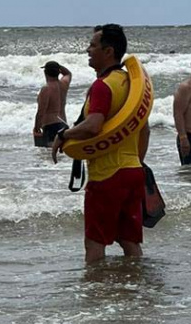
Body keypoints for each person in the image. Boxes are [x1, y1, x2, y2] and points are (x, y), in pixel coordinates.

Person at [50, 24, 151, 263]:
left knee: (94, 243)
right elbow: (144, 128)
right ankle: (135, 291)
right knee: (130, 242)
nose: (88, 49)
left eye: (93, 45)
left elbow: (94, 125)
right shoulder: (129, 83)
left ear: (108, 51)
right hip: (133, 170)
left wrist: (64, 135)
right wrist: (138, 161)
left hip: (107, 175)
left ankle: (95, 296)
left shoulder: (102, 86)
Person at [34, 60, 71, 146]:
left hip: (51, 126)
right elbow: (68, 73)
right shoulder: (64, 83)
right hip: (64, 125)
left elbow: (41, 112)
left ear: (45, 72)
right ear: (58, 72)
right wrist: (57, 66)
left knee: (48, 157)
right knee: (60, 155)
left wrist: (36, 127)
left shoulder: (46, 88)